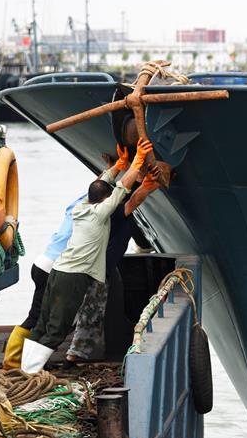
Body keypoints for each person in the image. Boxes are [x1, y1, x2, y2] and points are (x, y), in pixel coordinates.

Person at [20, 139, 152, 373]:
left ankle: (25, 369)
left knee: (43, 323)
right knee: (57, 329)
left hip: (58, 270)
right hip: (74, 276)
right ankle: (30, 373)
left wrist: (119, 164)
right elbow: (122, 189)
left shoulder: (81, 206)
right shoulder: (101, 213)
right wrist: (138, 160)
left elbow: (103, 184)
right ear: (104, 201)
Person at [65, 165, 164, 364]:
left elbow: (114, 189)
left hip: (87, 265)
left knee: (87, 307)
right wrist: (149, 185)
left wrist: (119, 164)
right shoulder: (112, 211)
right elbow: (134, 200)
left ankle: (82, 346)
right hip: (98, 270)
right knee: (91, 311)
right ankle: (75, 354)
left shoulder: (87, 206)